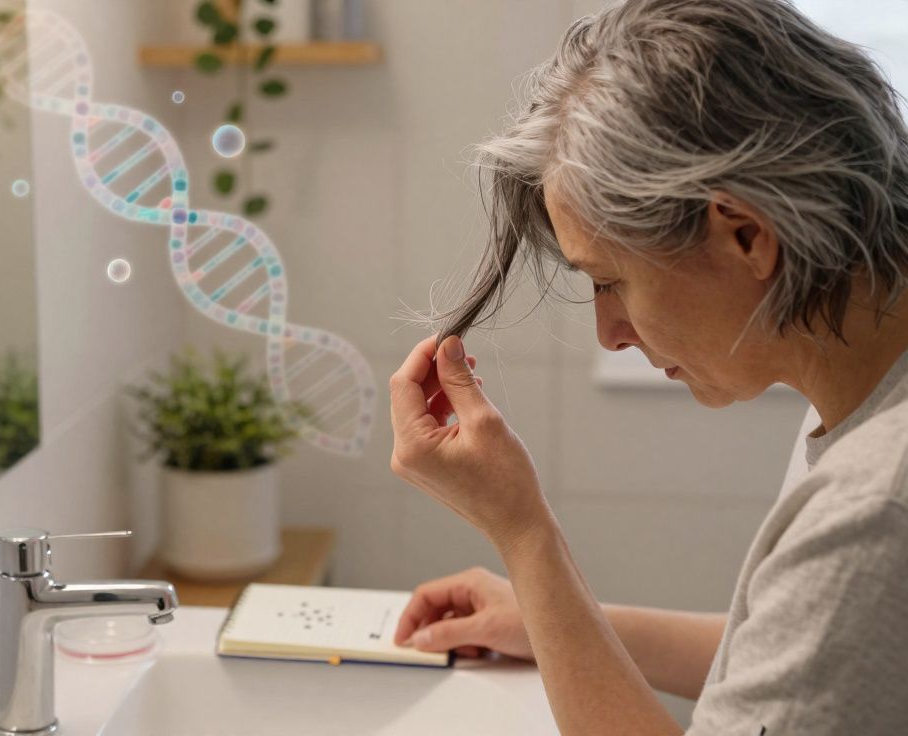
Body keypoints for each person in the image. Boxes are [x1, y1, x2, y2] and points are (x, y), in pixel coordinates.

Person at [387, 1, 908, 733]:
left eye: (610, 281)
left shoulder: (878, 506)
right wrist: (539, 615)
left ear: (746, 235)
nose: (609, 333)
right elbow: (802, 659)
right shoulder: (864, 387)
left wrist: (525, 534)